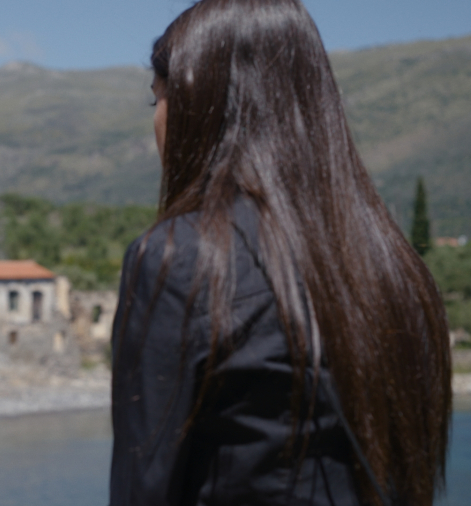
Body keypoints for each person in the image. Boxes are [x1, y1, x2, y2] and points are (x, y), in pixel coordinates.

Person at [110, 1, 451, 505]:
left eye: (157, 99)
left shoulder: (179, 259)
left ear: (197, 104)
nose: (157, 121)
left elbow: (143, 488)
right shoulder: (401, 271)